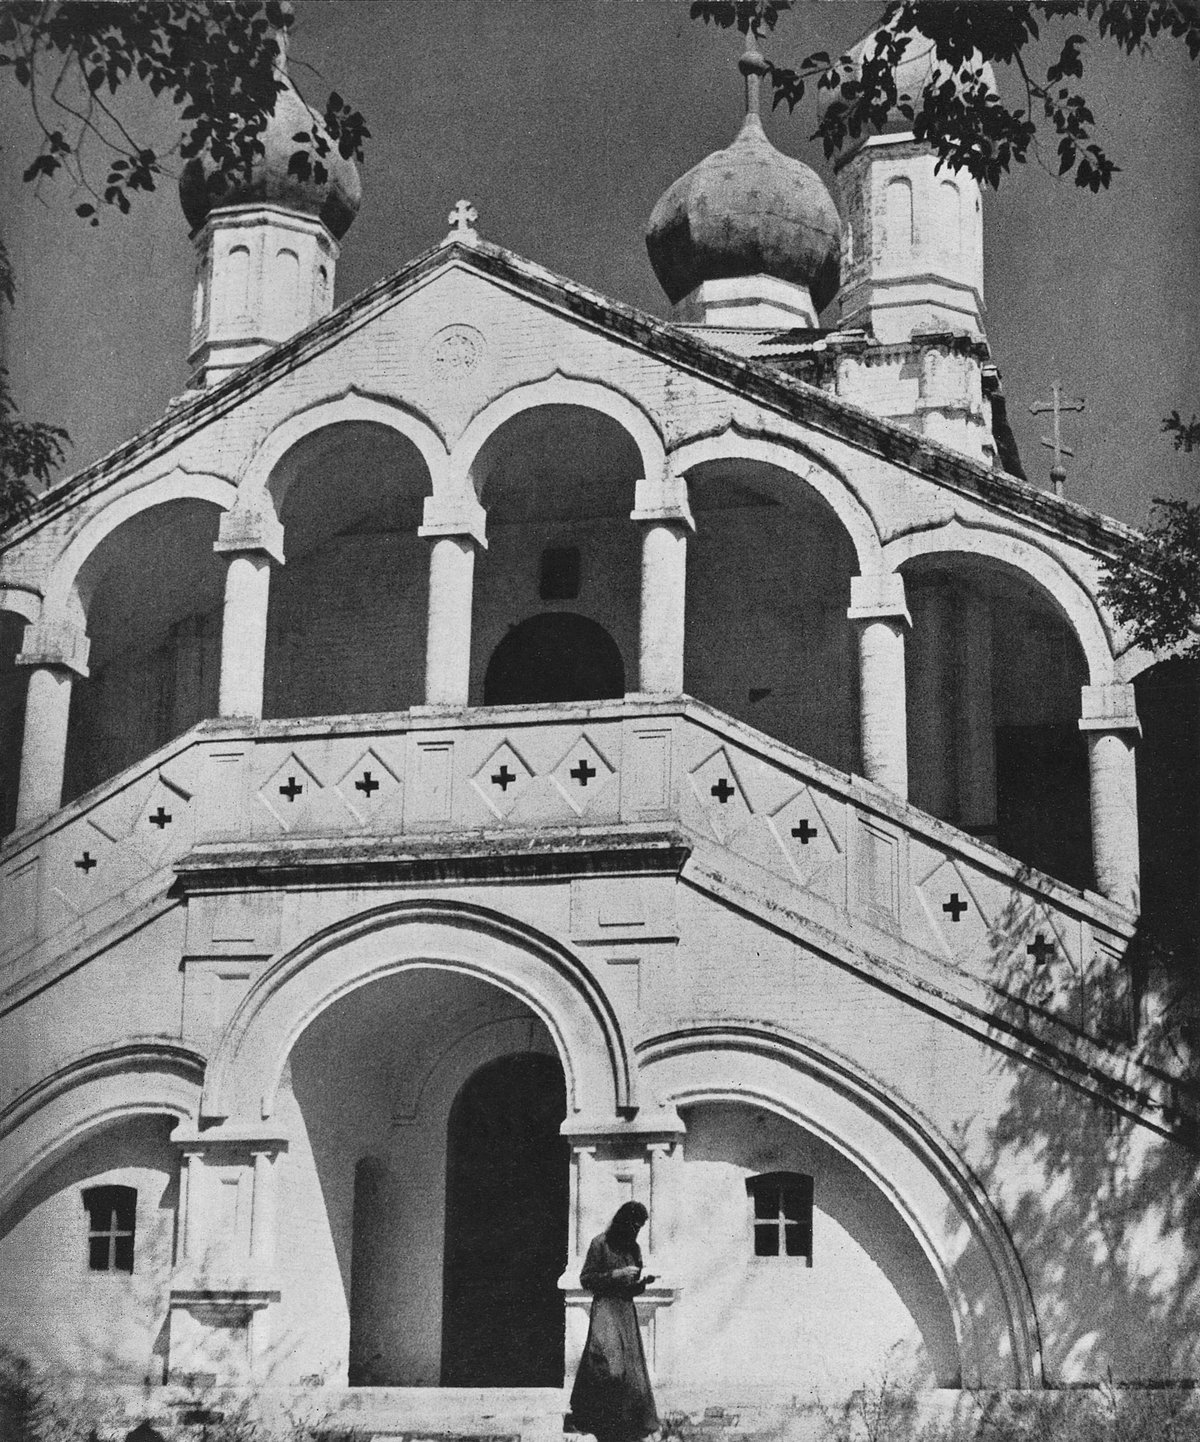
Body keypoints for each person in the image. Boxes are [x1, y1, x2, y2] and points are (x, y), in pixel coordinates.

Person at [569, 1201, 660, 1442]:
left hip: (624, 1312)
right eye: (633, 1226)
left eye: (640, 1228)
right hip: (605, 1309)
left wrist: (642, 1283)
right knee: (607, 1366)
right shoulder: (600, 1243)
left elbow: (631, 1290)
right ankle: (597, 1419)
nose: (636, 1231)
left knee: (629, 1372)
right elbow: (586, 1279)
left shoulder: (635, 1249)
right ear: (622, 1222)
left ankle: (623, 1424)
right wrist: (615, 1274)